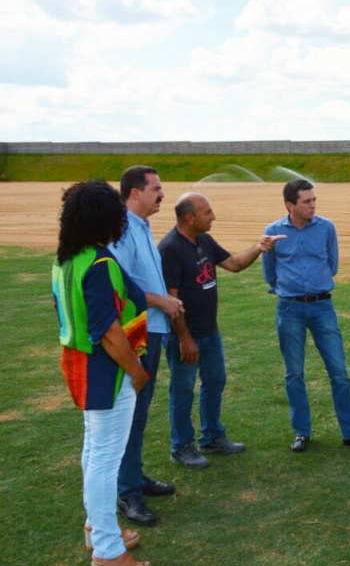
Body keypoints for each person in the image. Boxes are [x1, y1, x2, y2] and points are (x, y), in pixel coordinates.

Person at [53, 180, 152, 566]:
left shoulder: (67, 258)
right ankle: (108, 553)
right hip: (106, 370)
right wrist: (136, 370)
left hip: (80, 364)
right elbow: (109, 332)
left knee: (95, 450)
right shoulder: (99, 263)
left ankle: (99, 529)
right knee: (106, 458)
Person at [159, 193, 279, 468]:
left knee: (215, 382)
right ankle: (180, 447)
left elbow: (234, 264)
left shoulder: (204, 240)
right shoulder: (170, 249)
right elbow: (170, 299)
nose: (213, 217)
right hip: (185, 336)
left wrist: (259, 247)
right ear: (190, 218)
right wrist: (185, 339)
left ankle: (211, 437)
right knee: (183, 391)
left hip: (209, 332)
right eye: (208, 213)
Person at [262, 178, 350, 453]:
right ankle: (302, 432)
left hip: (322, 307)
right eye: (306, 201)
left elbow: (332, 265)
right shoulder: (273, 233)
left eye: (314, 200)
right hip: (289, 308)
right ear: (290, 205)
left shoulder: (326, 228)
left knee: (339, 372)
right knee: (294, 373)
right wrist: (288, 289)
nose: (313, 205)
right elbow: (270, 273)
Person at [109, 166, 184, 527]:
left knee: (140, 410)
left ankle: (133, 476)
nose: (162, 194)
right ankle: (127, 492)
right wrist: (162, 301)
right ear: (135, 193)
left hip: (152, 329)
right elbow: (120, 284)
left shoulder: (142, 225)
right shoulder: (122, 231)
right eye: (156, 188)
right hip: (137, 332)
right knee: (131, 412)